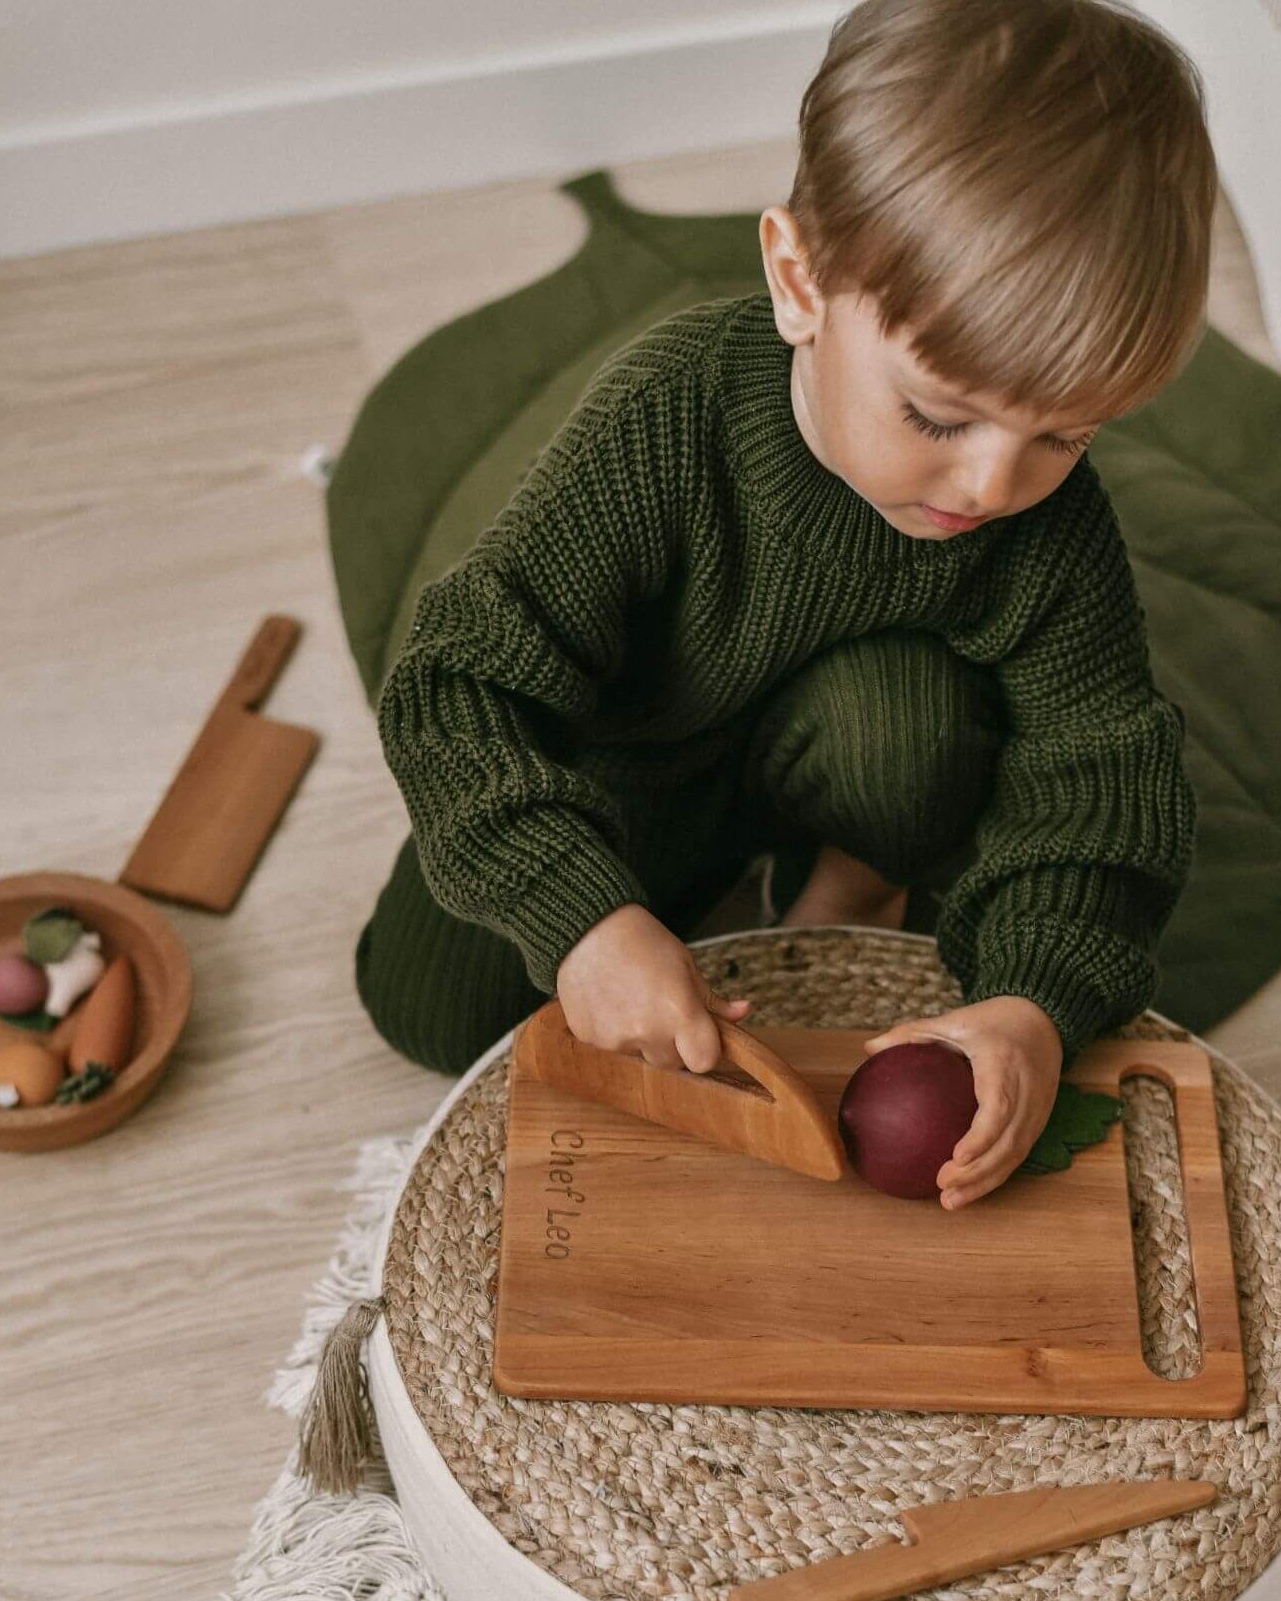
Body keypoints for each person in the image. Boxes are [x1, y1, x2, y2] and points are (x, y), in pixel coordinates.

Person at [356, 0, 1214, 1209]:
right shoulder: (668, 415)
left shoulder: (1048, 525)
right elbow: (455, 683)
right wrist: (585, 919)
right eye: (938, 414)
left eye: (1065, 434)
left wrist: (1034, 1001)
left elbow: (1105, 779)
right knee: (425, 1007)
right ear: (799, 281)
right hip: (623, 759)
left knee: (909, 725)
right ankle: (673, 886)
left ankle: (857, 879)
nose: (992, 485)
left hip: (848, 736)